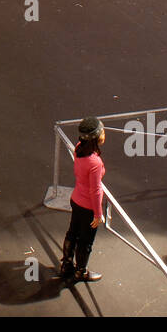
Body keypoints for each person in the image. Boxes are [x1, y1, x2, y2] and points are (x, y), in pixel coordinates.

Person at [59, 116, 105, 283]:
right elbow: (96, 190)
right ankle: (80, 271)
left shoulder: (79, 148)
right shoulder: (95, 162)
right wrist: (98, 214)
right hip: (88, 207)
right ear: (96, 137)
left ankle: (66, 264)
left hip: (76, 199)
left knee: (72, 232)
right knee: (85, 241)